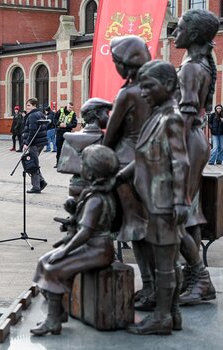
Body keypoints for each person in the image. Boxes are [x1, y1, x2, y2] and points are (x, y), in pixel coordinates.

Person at [119, 60, 190, 335]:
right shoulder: (156, 116)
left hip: (163, 202)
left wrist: (181, 200)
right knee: (168, 261)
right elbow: (142, 156)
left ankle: (162, 317)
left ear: (169, 86)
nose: (144, 92)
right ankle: (173, 313)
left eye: (149, 87)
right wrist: (121, 176)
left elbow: (181, 162)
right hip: (154, 201)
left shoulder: (171, 117)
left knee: (165, 264)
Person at [31, 144, 118, 336]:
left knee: (54, 269)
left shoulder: (96, 198)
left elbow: (85, 233)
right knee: (43, 261)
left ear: (93, 171)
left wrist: (65, 250)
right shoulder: (93, 193)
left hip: (98, 250)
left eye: (84, 165)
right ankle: (59, 311)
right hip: (90, 246)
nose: (81, 168)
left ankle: (53, 321)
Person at [103, 35, 153, 310]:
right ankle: (153, 286)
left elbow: (110, 136)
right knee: (146, 230)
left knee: (136, 230)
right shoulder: (154, 89)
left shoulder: (128, 94)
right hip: (149, 165)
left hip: (126, 167)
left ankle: (150, 286)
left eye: (115, 62)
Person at [172, 9, 218, 305]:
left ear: (195, 35)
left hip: (187, 141)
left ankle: (199, 278)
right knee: (188, 211)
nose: (175, 33)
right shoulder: (199, 63)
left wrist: (170, 149)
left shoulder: (191, 68)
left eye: (179, 28)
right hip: (195, 140)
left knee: (176, 211)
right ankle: (194, 277)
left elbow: (186, 114)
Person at [22, 98, 47, 193]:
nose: (27, 107)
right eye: (27, 105)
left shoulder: (32, 116)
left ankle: (36, 186)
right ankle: (41, 181)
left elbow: (32, 131)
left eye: (29, 105)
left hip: (34, 143)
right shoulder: (40, 114)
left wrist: (27, 143)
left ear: (34, 106)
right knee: (34, 163)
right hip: (40, 142)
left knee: (32, 164)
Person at [54, 102, 78, 167]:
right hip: (59, 132)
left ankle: (66, 163)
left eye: (72, 108)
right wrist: (59, 124)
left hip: (67, 133)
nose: (70, 109)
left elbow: (74, 124)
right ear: (67, 106)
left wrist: (66, 125)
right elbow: (54, 119)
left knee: (67, 148)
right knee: (59, 148)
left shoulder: (73, 114)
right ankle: (58, 163)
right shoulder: (60, 111)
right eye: (69, 107)